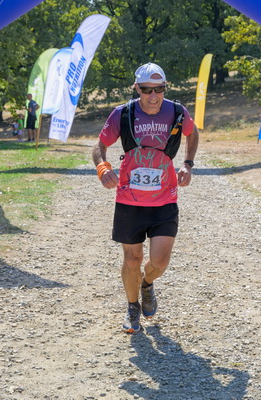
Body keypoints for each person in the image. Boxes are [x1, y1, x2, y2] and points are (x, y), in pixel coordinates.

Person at [92, 62, 199, 334]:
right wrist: (103, 167)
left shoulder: (177, 112)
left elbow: (193, 132)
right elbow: (100, 145)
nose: (153, 96)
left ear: (165, 88)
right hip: (129, 201)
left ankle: (147, 285)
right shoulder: (123, 114)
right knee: (132, 259)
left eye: (159, 89)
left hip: (165, 199)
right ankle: (132, 307)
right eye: (147, 89)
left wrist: (187, 164)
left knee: (160, 262)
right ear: (137, 88)